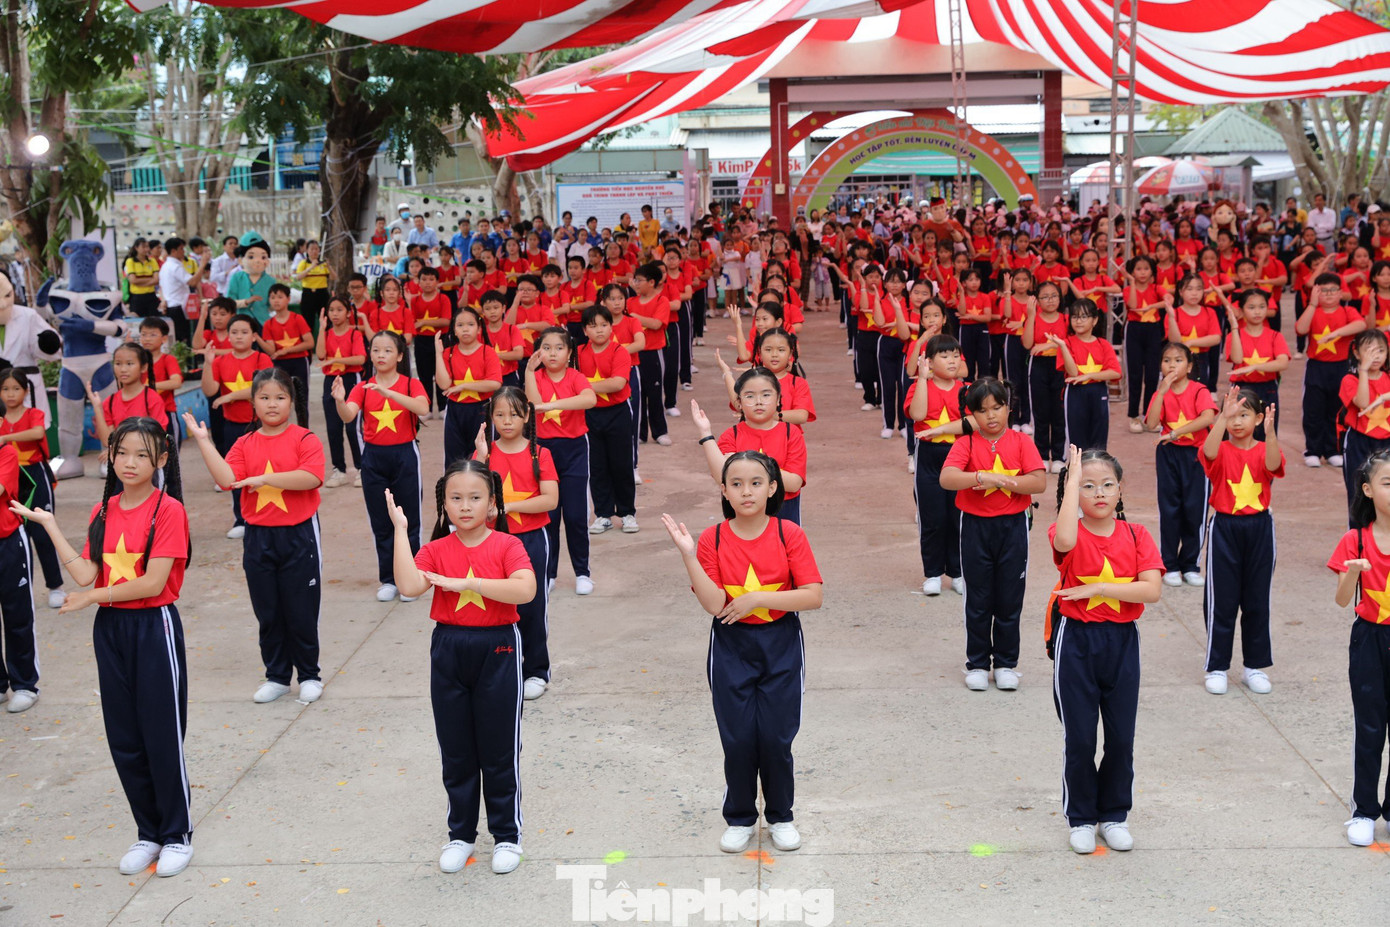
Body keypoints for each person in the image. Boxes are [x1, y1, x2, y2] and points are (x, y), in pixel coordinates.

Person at [11, 417, 193, 876]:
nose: (130, 463)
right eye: (122, 452)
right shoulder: (103, 510)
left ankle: (176, 835)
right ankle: (148, 833)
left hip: (154, 627)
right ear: (110, 455)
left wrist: (93, 597)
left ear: (162, 461)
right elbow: (89, 574)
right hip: (110, 631)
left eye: (142, 455)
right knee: (125, 738)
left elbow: (152, 581)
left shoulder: (168, 510)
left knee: (161, 735)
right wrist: (50, 525)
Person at [661, 451, 823, 854]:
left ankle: (781, 816)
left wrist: (756, 598)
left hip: (781, 642)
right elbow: (716, 604)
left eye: (756, 482)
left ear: (773, 488)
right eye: (736, 484)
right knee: (737, 738)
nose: (746, 491)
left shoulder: (790, 534)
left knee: (776, 736)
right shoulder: (714, 538)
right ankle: (740, 817)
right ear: (724, 491)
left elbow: (813, 596)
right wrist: (688, 552)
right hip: (731, 644)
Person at [389, 459, 534, 875]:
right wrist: (401, 530)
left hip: (499, 645)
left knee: (499, 748)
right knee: (456, 749)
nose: (465, 506)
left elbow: (524, 589)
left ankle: (507, 836)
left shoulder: (506, 545)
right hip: (449, 647)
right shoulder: (436, 549)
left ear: (492, 503)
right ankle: (461, 835)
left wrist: (468, 584)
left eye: (475, 497)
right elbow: (410, 586)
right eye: (456, 498)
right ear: (444, 504)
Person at [184, 367, 325, 704]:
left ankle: (309, 674)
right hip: (258, 537)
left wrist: (265, 480)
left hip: (297, 535)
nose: (272, 404)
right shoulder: (244, 443)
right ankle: (276, 676)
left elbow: (311, 477)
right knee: (268, 610)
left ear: (291, 401)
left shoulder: (305, 439)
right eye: (264, 398)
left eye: (279, 397)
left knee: (300, 610)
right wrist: (205, 443)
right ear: (253, 402)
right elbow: (227, 479)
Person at [1048, 445, 1163, 855]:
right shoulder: (1070, 532)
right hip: (1076, 639)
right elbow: (1063, 538)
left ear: (1121, 489)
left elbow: (1151, 589)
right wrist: (1069, 481)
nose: (1099, 493)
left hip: (1121, 640)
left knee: (1120, 738)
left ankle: (1114, 815)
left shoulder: (1137, 535)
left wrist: (1098, 587)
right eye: (1088, 486)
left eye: (1107, 484)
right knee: (1079, 737)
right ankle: (1080, 817)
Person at [939, 377, 1048, 690]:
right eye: (982, 410)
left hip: (1013, 527)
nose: (991, 416)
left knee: (1009, 598)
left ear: (1008, 408)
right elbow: (948, 478)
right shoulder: (966, 443)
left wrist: (1000, 481)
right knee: (978, 597)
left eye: (997, 407)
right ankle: (976, 662)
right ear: (972, 414)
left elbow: (1038, 482)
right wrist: (978, 475)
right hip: (975, 526)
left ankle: (1005, 663)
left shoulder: (1021, 441)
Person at [473, 387, 558, 700]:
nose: (506, 421)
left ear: (526, 416)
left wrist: (508, 506)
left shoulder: (540, 454)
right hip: (493, 542)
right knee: (495, 606)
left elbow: (550, 499)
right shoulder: (486, 453)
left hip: (531, 540)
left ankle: (536, 670)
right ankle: (502, 666)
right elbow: (471, 492)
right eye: (499, 415)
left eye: (514, 414)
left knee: (532, 607)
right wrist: (481, 455)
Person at [332, 330, 430, 602]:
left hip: (405, 455)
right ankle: (388, 579)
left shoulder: (411, 385)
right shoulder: (362, 387)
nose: (381, 355)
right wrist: (340, 400)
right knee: (381, 521)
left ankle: (411, 579)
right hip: (374, 458)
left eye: (387, 350)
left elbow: (422, 408)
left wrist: (389, 392)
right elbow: (349, 415)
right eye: (376, 350)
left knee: (410, 518)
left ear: (399, 356)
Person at [1200, 387, 1284, 696]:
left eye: (1244, 415)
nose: (1237, 422)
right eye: (1232, 416)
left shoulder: (1264, 448)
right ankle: (1217, 666)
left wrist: (1271, 434)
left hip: (1260, 526)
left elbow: (1275, 466)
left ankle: (1254, 666)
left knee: (1257, 599)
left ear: (1259, 418)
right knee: (1221, 600)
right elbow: (1208, 452)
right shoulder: (1221, 449)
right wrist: (1221, 416)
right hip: (1225, 526)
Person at [1329, 450, 1390, 846]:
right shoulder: (1356, 539)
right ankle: (1364, 810)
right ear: (1368, 490)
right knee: (1370, 727)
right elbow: (1340, 601)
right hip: (1370, 638)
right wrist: (1352, 573)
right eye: (1388, 483)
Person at [525, 327, 598, 595]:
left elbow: (589, 399)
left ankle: (582, 572)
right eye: (546, 347)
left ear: (569, 353)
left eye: (559, 348)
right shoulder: (536, 376)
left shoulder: (576, 376)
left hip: (574, 449)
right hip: (544, 451)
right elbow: (533, 404)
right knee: (549, 517)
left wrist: (553, 406)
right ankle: (549, 572)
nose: (552, 353)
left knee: (577, 515)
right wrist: (528, 373)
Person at [693, 369, 809, 526]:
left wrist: (745, 471)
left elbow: (794, 483)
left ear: (778, 400)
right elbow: (722, 477)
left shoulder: (791, 433)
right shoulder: (731, 435)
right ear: (739, 402)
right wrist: (706, 434)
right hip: (742, 515)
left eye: (766, 395)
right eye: (750, 396)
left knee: (783, 549)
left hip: (784, 513)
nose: (759, 401)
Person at [1145, 342, 1216, 586]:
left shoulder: (1199, 390)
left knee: (1195, 510)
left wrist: (1175, 433)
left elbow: (1208, 417)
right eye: (1166, 360)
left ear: (1189, 365)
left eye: (1178, 360)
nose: (1172, 365)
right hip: (1168, 454)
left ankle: (1190, 564)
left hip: (1196, 455)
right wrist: (1162, 392)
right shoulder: (1160, 393)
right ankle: (1170, 564)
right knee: (1169, 509)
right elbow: (1152, 423)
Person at [904, 334, 966, 596]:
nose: (952, 361)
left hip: (959, 455)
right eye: (944, 356)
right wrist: (921, 378)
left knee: (957, 517)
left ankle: (957, 573)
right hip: (929, 456)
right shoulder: (919, 386)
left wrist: (941, 428)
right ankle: (932, 574)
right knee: (933, 518)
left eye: (955, 355)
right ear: (928, 361)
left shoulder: (966, 388)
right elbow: (917, 414)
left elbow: (974, 422)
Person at [0, 367, 64, 611]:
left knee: (42, 531)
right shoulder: (0, 417)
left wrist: (5, 439)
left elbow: (38, 432)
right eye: (5, 389)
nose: (10, 394)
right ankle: (23, 585)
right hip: (8, 476)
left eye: (16, 388)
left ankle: (55, 586)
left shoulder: (34, 413)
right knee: (17, 534)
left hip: (34, 475)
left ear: (26, 391)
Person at [578, 306, 637, 535]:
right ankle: (603, 514)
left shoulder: (619, 351)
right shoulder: (579, 352)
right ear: (585, 330)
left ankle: (627, 513)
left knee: (621, 464)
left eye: (604, 325)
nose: (599, 330)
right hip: (590, 414)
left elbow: (618, 383)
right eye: (593, 326)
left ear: (611, 327)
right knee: (597, 465)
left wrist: (584, 387)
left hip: (617, 412)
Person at [1048, 298, 1120, 452]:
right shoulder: (1067, 343)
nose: (1078, 321)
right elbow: (1073, 373)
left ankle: (1097, 472)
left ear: (1094, 320)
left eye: (1084, 317)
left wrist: (1089, 376)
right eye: (1074, 317)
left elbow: (1115, 371)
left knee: (1099, 438)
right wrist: (1062, 345)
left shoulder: (1103, 344)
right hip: (1075, 392)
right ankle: (1077, 473)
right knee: (1076, 439)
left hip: (1098, 391)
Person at [437, 305, 502, 466]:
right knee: (454, 458)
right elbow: (444, 384)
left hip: (482, 410)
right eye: (460, 325)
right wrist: (438, 354)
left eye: (470, 325)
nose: (465, 329)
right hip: (455, 410)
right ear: (454, 330)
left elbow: (495, 383)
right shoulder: (448, 353)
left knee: (483, 455)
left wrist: (464, 386)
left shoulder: (487, 352)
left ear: (479, 328)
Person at [1221, 288, 1290, 440]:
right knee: (1242, 431)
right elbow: (1237, 359)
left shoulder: (1275, 336)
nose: (1257, 312)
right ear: (1241, 310)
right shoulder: (1234, 335)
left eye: (1262, 307)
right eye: (1251, 307)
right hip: (1242, 389)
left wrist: (1255, 367)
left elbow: (1283, 363)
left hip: (1268, 389)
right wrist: (1234, 326)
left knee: (1267, 431)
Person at [316, 295, 367, 489]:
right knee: (333, 427)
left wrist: (335, 361)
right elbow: (320, 354)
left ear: (348, 313)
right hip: (331, 380)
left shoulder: (354, 334)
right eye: (331, 310)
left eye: (339, 310)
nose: (335, 314)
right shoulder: (326, 333)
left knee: (353, 427)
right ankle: (339, 469)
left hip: (351, 379)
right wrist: (321, 328)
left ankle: (362, 467)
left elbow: (360, 359)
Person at [1340, 330, 1390, 523]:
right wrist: (1363, 370)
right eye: (1369, 350)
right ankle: (1358, 539)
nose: (1375, 356)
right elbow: (1362, 402)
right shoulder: (1349, 380)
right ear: (1357, 353)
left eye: (1380, 350)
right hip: (1359, 442)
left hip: (1386, 441)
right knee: (1358, 493)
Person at [1022, 281, 1070, 471]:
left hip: (1060, 366)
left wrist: (1050, 345)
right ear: (1037, 300)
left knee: (1059, 412)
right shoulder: (1033, 318)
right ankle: (1041, 455)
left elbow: (1070, 343)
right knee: (1041, 412)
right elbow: (1027, 344)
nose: (1050, 300)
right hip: (1039, 366)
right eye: (1045, 297)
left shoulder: (1066, 319)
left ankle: (1058, 456)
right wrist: (1031, 315)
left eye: (1054, 296)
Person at [628, 263, 672, 446]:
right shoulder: (630, 302)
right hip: (634, 354)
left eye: (639, 280)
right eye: (635, 280)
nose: (636, 283)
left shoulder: (661, 301)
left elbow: (656, 324)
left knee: (654, 393)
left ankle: (660, 431)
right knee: (638, 394)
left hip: (653, 352)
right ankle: (640, 433)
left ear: (652, 282)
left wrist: (634, 317)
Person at [1122, 255, 1167, 434]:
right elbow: (1132, 305)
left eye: (1146, 269)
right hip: (1134, 330)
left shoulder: (1156, 288)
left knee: (1151, 376)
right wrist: (1132, 282)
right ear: (1132, 272)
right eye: (1138, 269)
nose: (1142, 272)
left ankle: (1149, 416)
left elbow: (1169, 300)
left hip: (1153, 331)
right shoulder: (1127, 289)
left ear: (1152, 271)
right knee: (1135, 375)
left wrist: (1150, 307)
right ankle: (1133, 415)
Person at [258, 284, 313, 429]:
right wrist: (257, 338)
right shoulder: (268, 324)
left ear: (288, 299)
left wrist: (286, 351)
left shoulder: (297, 318)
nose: (276, 301)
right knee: (278, 397)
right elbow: (271, 350)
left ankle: (303, 431)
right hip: (279, 365)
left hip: (299, 361)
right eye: (273, 297)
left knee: (301, 399)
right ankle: (280, 429)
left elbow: (309, 342)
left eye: (280, 297)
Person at [91, 343, 168, 445]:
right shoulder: (109, 402)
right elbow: (107, 441)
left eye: (130, 364)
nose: (123, 369)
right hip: (121, 458)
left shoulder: (151, 399)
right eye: (118, 364)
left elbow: (159, 438)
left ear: (143, 367)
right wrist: (97, 407)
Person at [138, 318, 183, 445]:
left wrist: (148, 387)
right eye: (144, 334)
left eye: (153, 335)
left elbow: (176, 382)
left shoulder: (168, 360)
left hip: (166, 413)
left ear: (164, 339)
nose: (147, 339)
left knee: (170, 457)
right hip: (142, 414)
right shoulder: (137, 362)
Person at [123, 238, 161, 318]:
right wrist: (150, 279)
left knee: (154, 320)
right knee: (136, 321)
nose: (146, 249)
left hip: (151, 296)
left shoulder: (152, 261)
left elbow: (157, 279)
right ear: (136, 248)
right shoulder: (130, 261)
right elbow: (133, 280)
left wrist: (140, 281)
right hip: (137, 297)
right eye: (143, 247)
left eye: (147, 247)